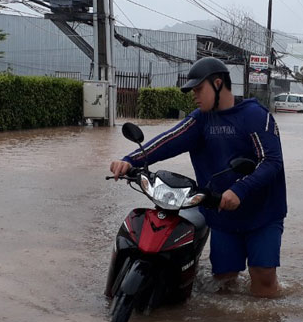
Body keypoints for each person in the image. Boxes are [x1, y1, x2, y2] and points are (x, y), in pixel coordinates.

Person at [109, 57, 287, 298]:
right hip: (221, 213)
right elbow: (167, 141)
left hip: (262, 214)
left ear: (217, 84)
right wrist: (130, 161)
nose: (194, 95)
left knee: (263, 280)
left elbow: (271, 161)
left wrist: (240, 189)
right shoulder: (201, 119)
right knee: (223, 283)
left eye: (198, 89)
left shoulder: (255, 116)